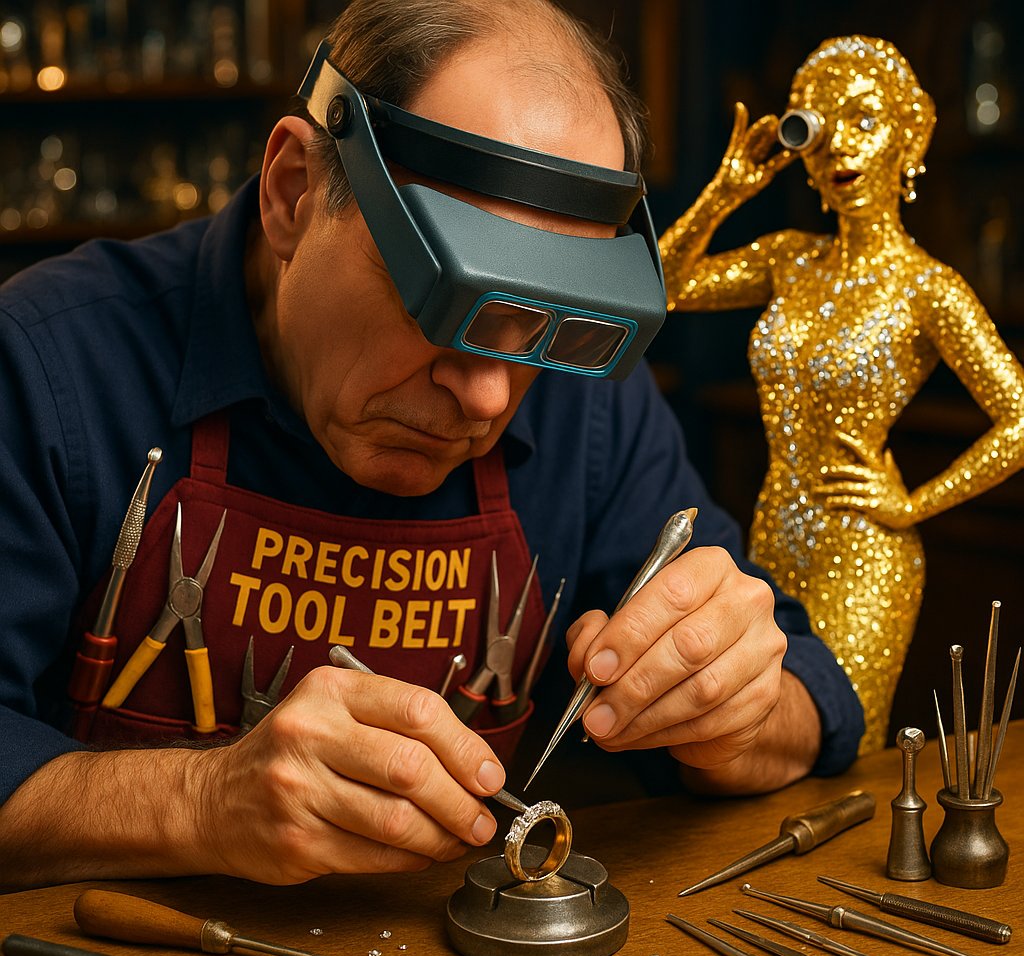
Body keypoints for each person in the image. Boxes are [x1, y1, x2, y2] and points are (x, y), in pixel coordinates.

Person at [0, 0, 862, 891]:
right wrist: (198, 801)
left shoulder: (583, 404)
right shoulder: (46, 366)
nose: (488, 395)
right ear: (295, 190)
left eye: (546, 328)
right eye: (443, 303)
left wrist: (736, 710)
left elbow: (811, 700)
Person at [659, 36, 1024, 752]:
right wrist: (726, 191)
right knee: (757, 744)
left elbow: (1020, 419)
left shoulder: (929, 290)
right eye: (818, 128)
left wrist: (913, 504)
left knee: (842, 749)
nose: (839, 149)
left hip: (866, 553)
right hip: (770, 536)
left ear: (909, 132)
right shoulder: (789, 258)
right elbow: (665, 288)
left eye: (864, 120)